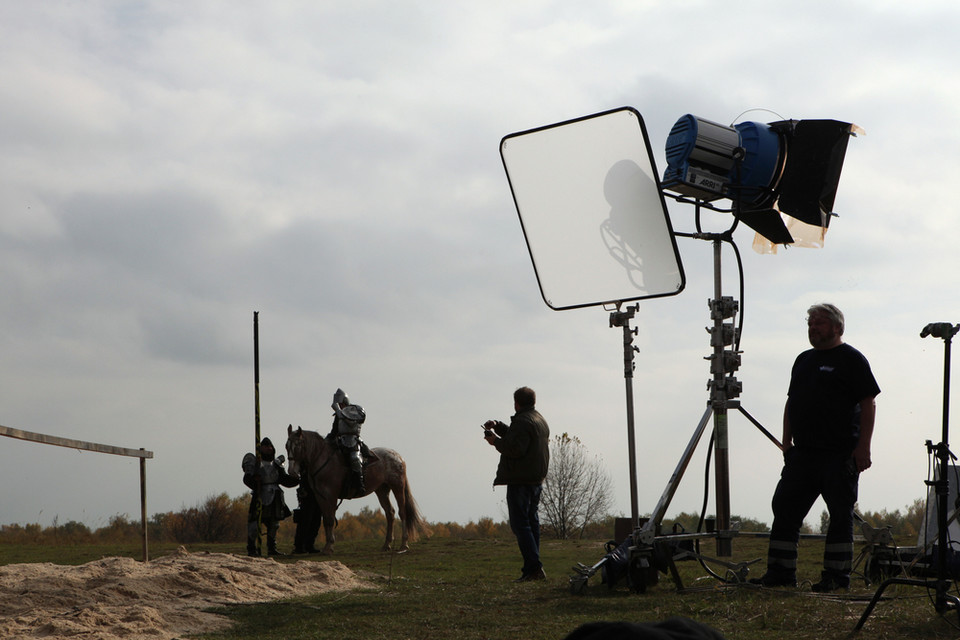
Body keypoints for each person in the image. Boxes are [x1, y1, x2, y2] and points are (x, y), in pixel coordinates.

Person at [751, 303, 880, 592]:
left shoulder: (852, 359)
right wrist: (786, 442)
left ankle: (836, 579)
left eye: (819, 323)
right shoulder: (803, 360)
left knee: (839, 514)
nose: (813, 328)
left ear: (837, 327)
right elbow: (791, 401)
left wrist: (863, 448)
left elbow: (868, 402)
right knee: (784, 508)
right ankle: (780, 574)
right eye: (810, 323)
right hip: (802, 454)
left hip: (839, 455)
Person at [483, 386, 551, 582]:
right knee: (532, 522)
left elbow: (515, 448)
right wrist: (498, 425)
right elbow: (519, 437)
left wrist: (494, 441)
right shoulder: (539, 420)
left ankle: (534, 568)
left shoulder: (522, 422)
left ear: (516, 403)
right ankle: (533, 567)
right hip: (535, 479)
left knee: (521, 524)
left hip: (521, 480)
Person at [241, 437, 299, 557]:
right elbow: (247, 479)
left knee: (274, 524)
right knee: (254, 524)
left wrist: (296, 479)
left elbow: (284, 479)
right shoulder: (254, 462)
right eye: (266, 446)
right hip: (259, 496)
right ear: (260, 448)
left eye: (270, 446)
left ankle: (272, 548)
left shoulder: (276, 464)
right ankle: (252, 549)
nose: (269, 448)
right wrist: (255, 481)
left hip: (276, 497)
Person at [326, 388, 369, 494]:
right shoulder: (338, 415)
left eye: (341, 403)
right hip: (341, 441)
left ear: (345, 401)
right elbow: (334, 431)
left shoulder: (355, 410)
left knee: (354, 458)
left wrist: (340, 413)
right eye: (338, 404)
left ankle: (360, 485)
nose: (340, 406)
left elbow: (354, 422)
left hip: (353, 440)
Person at [292, 481, 322, 554]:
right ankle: (300, 546)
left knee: (316, 521)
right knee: (305, 521)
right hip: (307, 493)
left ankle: (309, 545)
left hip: (318, 493)